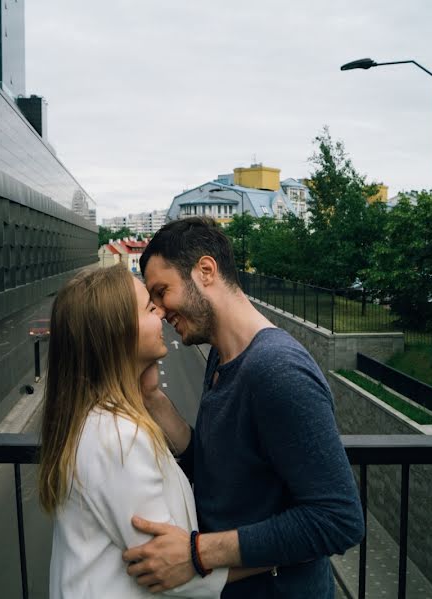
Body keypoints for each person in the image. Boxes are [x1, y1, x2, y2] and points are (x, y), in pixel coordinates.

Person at [122, 217, 365, 598]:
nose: (159, 310)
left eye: (161, 291)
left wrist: (197, 552)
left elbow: (338, 520)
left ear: (205, 271)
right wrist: (151, 396)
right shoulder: (222, 355)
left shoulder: (277, 370)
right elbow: (213, 466)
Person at [39, 265, 266, 598]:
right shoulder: (118, 438)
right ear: (119, 333)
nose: (161, 312)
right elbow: (170, 570)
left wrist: (146, 392)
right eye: (149, 307)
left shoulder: (99, 421)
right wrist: (277, 556)